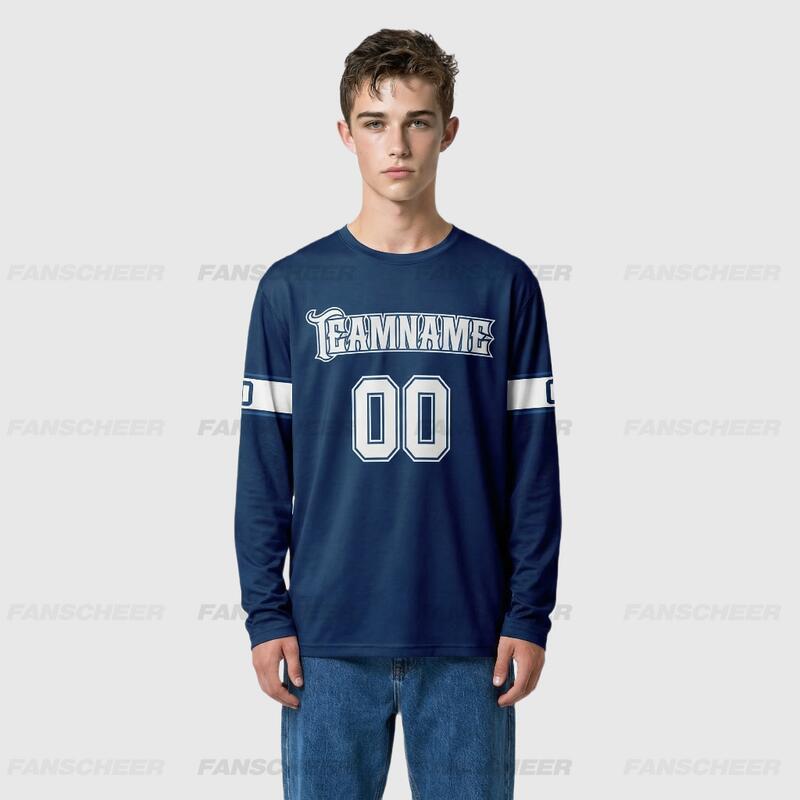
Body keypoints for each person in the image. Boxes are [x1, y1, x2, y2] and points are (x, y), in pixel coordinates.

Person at [234, 27, 562, 800]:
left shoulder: (504, 285)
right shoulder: (291, 288)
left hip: (470, 635)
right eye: (376, 122)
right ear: (344, 133)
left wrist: (529, 613)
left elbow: (534, 470)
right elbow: (263, 469)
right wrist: (265, 614)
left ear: (448, 130)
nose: (398, 145)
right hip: (327, 638)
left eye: (418, 121)